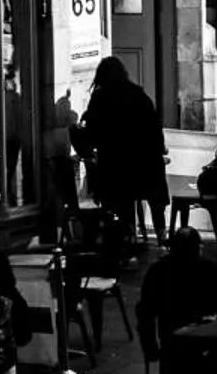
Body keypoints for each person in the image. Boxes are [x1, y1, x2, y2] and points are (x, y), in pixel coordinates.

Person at [71, 56, 168, 254]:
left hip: (118, 165)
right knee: (153, 197)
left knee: (119, 197)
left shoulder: (101, 99)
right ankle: (162, 236)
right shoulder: (139, 96)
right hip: (148, 164)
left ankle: (128, 235)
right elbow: (155, 129)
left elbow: (92, 133)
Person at [136, 227, 217, 367]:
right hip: (205, 341)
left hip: (171, 340)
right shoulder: (210, 270)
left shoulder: (158, 271)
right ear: (198, 249)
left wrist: (150, 347)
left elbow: (145, 313)